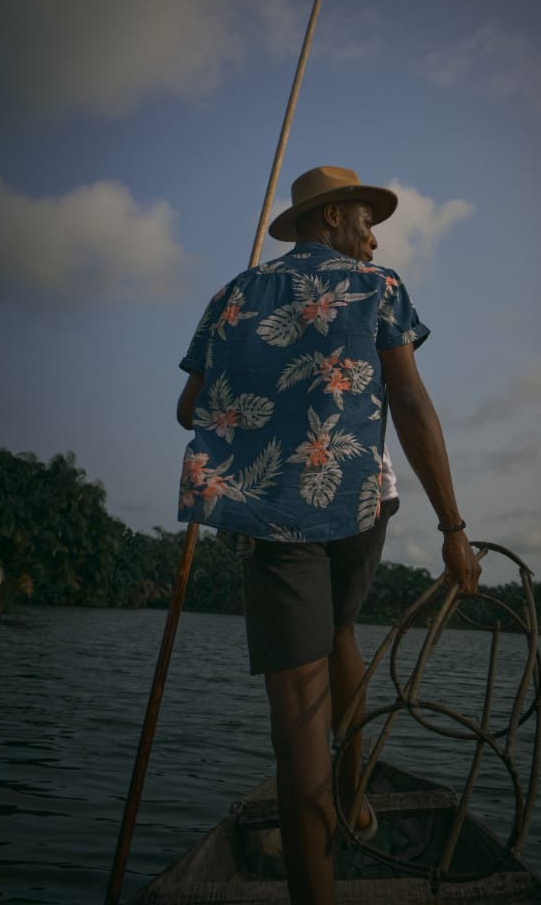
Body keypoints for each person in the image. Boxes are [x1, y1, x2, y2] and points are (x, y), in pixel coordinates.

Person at [175, 165, 479, 905]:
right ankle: (351, 797)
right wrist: (452, 528)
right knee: (341, 631)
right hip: (360, 501)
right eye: (365, 224)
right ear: (335, 215)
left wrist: (258, 398)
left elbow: (190, 409)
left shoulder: (233, 295)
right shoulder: (379, 288)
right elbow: (407, 400)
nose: (374, 241)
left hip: (275, 507)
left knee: (297, 714)